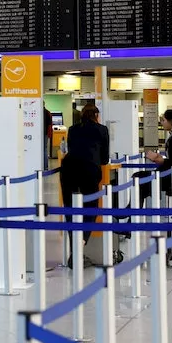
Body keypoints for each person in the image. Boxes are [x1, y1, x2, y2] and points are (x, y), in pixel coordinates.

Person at [61, 104, 110, 262]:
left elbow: (69, 149)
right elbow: (104, 159)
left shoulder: (72, 129)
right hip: (89, 170)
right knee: (91, 207)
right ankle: (82, 240)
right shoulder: (102, 130)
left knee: (70, 209)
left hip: (68, 169)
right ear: (96, 115)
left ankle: (73, 249)